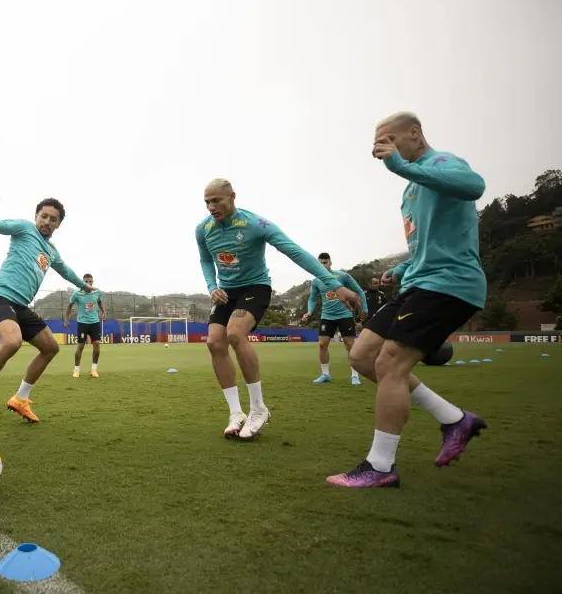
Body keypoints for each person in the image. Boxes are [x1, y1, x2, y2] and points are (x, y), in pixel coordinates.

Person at [327, 112, 488, 488]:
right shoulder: (411, 188)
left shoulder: (442, 163)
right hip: (417, 282)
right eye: (378, 144)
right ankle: (454, 419)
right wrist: (400, 269)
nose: (382, 149)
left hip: (450, 284)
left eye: (390, 140)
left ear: (415, 134)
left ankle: (380, 467)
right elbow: (427, 243)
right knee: (362, 357)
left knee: (391, 363)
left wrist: (398, 165)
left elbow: (474, 186)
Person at [196, 179, 361, 440]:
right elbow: (206, 259)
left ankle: (259, 409)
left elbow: (295, 252)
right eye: (207, 201)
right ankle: (236, 413)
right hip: (226, 292)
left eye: (216, 200)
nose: (211, 206)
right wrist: (211, 286)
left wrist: (332, 284)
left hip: (255, 287)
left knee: (235, 334)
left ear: (232, 197)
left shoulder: (256, 225)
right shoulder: (203, 229)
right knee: (215, 343)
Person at [0, 192, 94, 438]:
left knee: (50, 347)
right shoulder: (24, 229)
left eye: (53, 219)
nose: (47, 221)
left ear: (59, 224)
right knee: (12, 342)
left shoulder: (52, 252)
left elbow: (65, 270)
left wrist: (83, 285)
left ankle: (20, 399)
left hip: (21, 307)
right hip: (0, 298)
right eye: (43, 216)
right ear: (35, 216)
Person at [301, 253, 367, 385]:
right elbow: (312, 298)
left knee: (349, 344)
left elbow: (359, 291)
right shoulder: (316, 281)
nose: (322, 265)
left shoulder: (342, 276)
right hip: (327, 316)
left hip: (345, 315)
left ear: (330, 262)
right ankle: (325, 374)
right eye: (320, 263)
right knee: (322, 344)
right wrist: (309, 311)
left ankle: (355, 376)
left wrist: (364, 309)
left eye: (325, 262)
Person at [63, 273, 106, 378]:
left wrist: (104, 312)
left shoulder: (97, 292)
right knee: (81, 346)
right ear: (82, 283)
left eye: (90, 281)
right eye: (85, 282)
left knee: (96, 344)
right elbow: (69, 307)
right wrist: (66, 319)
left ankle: (94, 370)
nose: (88, 283)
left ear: (92, 282)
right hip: (82, 323)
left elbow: (100, 302)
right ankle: (76, 370)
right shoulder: (77, 294)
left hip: (95, 322)